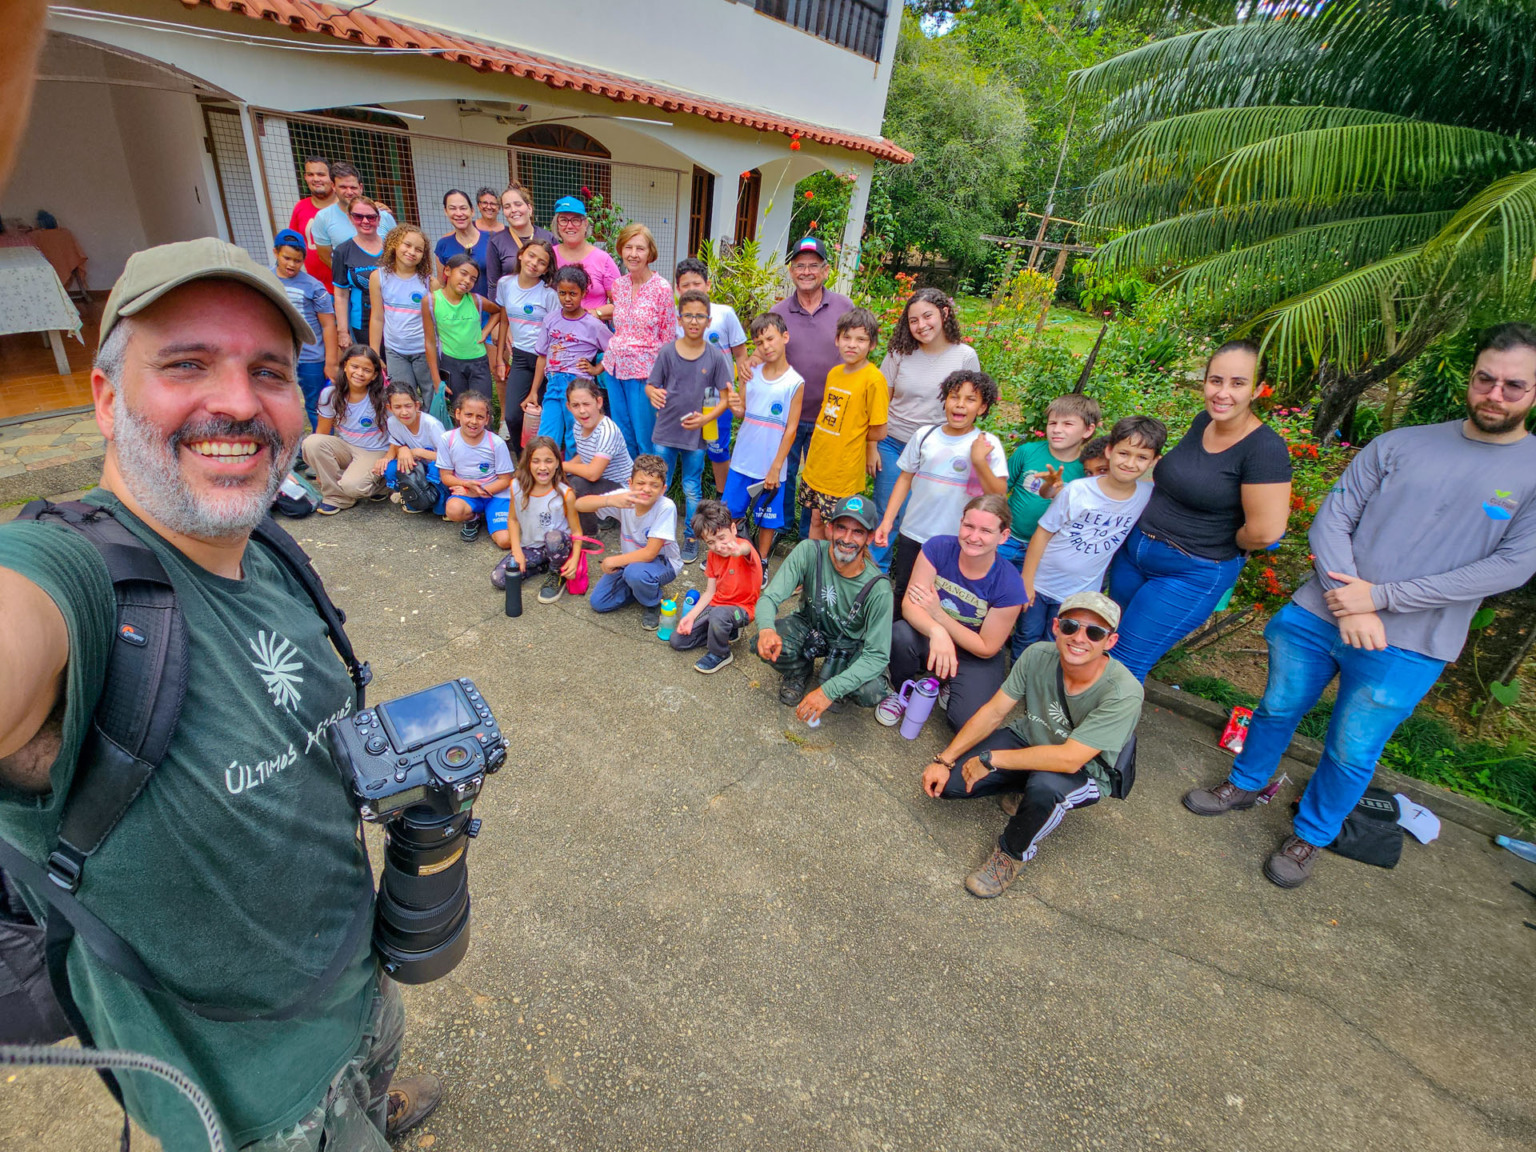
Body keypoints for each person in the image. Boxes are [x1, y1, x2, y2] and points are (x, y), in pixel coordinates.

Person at [0, 237, 440, 1150]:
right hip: (248, 1098)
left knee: (377, 1064)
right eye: (187, 364)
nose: (238, 402)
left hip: (356, 981)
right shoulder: (69, 577)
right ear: (106, 396)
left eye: (268, 370)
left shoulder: (266, 545)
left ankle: (374, 1100)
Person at [1184, 323, 1536, 888]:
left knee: (1352, 749)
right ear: (1472, 378)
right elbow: (1334, 519)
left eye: (1513, 386)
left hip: (1411, 643)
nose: (1495, 394)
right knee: (1275, 708)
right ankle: (1246, 783)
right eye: (1485, 379)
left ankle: (1312, 835)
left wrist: (1380, 598)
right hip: (1316, 615)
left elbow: (1510, 566)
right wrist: (1353, 604)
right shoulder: (1402, 444)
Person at [921, 591, 1142, 898]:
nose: (1079, 638)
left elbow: (1069, 760)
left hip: (1084, 769)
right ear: (1056, 627)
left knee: (1046, 787)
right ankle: (1023, 788)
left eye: (1094, 632)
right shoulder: (1038, 654)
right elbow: (994, 710)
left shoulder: (1124, 692)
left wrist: (990, 759)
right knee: (950, 785)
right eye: (1070, 627)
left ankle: (1012, 854)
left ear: (1110, 642)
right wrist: (944, 760)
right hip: (1031, 737)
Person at [1107, 340, 1292, 680]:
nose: (1223, 393)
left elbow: (1265, 532)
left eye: (1238, 383)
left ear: (1260, 389)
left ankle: (1100, 734)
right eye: (1216, 380)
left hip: (1190, 572)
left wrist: (1224, 535)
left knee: (1123, 662)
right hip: (1136, 555)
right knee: (1103, 642)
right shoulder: (1203, 421)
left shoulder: (1265, 450)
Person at [1016, 416, 1165, 656]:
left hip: (1079, 593)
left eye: (1142, 457)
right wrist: (1026, 581)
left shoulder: (1146, 495)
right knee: (1026, 636)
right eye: (1124, 453)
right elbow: (1042, 533)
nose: (1130, 463)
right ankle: (1017, 687)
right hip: (1040, 583)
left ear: (1154, 461)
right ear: (1109, 451)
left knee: (1057, 644)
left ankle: (1041, 691)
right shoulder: (1078, 491)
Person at [877, 494, 1027, 732]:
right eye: (968, 526)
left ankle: (946, 680)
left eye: (986, 531)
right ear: (960, 523)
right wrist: (937, 631)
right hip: (932, 636)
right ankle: (898, 689)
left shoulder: (1010, 584)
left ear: (1003, 536)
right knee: (900, 634)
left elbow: (987, 647)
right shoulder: (937, 548)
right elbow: (910, 606)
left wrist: (939, 616)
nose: (974, 537)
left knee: (964, 722)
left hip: (974, 652)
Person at [872, 368, 1009, 604]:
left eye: (970, 399)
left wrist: (978, 461)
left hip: (956, 541)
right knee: (904, 591)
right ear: (944, 400)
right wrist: (887, 521)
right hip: (913, 533)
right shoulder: (925, 436)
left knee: (942, 599)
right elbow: (904, 479)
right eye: (954, 396)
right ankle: (897, 638)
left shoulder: (986, 444)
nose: (960, 405)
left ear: (983, 407)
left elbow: (998, 495)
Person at [755, 494, 894, 720]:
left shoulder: (879, 588)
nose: (847, 538)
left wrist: (829, 690)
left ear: (869, 538)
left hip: (849, 644)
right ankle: (799, 671)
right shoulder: (809, 551)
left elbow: (877, 655)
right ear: (830, 529)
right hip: (811, 626)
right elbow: (769, 598)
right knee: (764, 643)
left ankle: (839, 685)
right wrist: (766, 629)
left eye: (858, 532)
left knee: (872, 691)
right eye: (841, 528)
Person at [873, 287, 982, 569]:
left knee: (928, 517)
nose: (921, 325)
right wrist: (871, 444)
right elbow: (880, 400)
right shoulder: (900, 353)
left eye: (927, 316)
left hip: (938, 452)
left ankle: (920, 575)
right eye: (913, 320)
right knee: (888, 513)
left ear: (944, 313)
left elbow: (970, 402)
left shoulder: (965, 356)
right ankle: (875, 576)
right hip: (894, 444)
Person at [768, 237, 854, 536]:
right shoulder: (779, 311)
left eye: (813, 266)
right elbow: (768, 353)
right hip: (789, 412)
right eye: (800, 266)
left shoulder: (844, 306)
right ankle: (781, 525)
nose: (806, 271)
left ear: (826, 270)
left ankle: (809, 533)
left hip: (829, 414)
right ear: (791, 271)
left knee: (817, 476)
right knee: (787, 472)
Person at [646, 288, 734, 565]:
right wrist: (651, 392)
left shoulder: (715, 357)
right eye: (688, 315)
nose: (694, 321)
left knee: (691, 487)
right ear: (679, 319)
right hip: (665, 431)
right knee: (659, 483)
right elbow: (651, 384)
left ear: (708, 321)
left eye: (700, 316)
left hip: (696, 435)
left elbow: (726, 397)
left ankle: (692, 537)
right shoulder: (667, 352)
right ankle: (656, 537)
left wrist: (707, 419)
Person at [798, 307, 888, 540]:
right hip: (818, 463)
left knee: (839, 528)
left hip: (843, 470)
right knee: (816, 519)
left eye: (861, 339)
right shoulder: (835, 373)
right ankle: (812, 568)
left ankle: (835, 573)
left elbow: (878, 428)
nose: (852, 344)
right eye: (846, 337)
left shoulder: (873, 379)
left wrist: (869, 448)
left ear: (872, 344)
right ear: (837, 340)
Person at [725, 313, 805, 574]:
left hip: (772, 465)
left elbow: (791, 429)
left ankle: (761, 562)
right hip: (742, 460)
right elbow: (742, 411)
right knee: (732, 511)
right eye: (759, 342)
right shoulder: (750, 373)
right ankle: (732, 554)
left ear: (785, 337)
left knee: (767, 519)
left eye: (770, 338)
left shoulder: (795, 382)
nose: (766, 346)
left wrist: (776, 466)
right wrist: (735, 405)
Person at [574, 454, 682, 629]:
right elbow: (579, 505)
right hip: (632, 561)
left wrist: (613, 560)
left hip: (664, 563)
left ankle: (653, 602)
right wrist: (609, 500)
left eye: (654, 485)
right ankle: (639, 588)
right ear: (630, 483)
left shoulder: (666, 507)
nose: (646, 489)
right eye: (640, 483)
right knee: (599, 602)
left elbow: (650, 553)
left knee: (635, 574)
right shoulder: (624, 497)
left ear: (663, 489)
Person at [1001, 395, 1101, 571]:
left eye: (1067, 424)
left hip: (1047, 550)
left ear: (1088, 430)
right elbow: (1001, 490)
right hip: (1007, 538)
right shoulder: (1026, 452)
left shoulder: (1086, 470)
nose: (1057, 429)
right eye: (1052, 423)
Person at [674, 257, 748, 492]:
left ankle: (722, 500)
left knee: (718, 449)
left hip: (719, 399)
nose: (691, 289)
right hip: (687, 398)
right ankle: (691, 498)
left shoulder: (725, 314)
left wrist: (741, 397)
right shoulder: (675, 321)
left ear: (708, 285)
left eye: (697, 283)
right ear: (677, 289)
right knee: (691, 447)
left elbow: (741, 357)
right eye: (685, 285)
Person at [607, 223, 677, 460]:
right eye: (628, 247)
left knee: (644, 437)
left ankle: (650, 487)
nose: (633, 254)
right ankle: (630, 484)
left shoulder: (662, 288)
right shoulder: (618, 285)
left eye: (640, 248)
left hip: (644, 374)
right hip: (615, 370)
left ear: (650, 253)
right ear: (621, 249)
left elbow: (668, 338)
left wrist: (662, 381)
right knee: (623, 433)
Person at [671, 500, 764, 673]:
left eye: (722, 538)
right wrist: (691, 617)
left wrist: (738, 550)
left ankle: (720, 653)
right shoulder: (713, 556)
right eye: (710, 542)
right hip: (717, 606)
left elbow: (745, 549)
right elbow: (709, 592)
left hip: (742, 609)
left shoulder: (743, 549)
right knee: (677, 640)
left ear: (734, 529)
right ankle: (724, 632)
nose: (718, 546)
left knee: (719, 615)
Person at [488, 436, 581, 603]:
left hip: (559, 546)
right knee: (500, 579)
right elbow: (513, 520)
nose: (543, 467)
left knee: (553, 538)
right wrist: (516, 551)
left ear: (558, 463)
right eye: (536, 461)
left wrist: (574, 560)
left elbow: (577, 532)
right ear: (528, 463)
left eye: (549, 461)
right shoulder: (516, 486)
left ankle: (556, 572)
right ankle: (540, 565)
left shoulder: (566, 494)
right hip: (531, 547)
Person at [303, 343, 390, 514]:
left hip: (375, 451)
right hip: (347, 448)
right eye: (355, 366)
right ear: (345, 366)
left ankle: (382, 485)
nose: (359, 373)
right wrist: (320, 468)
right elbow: (322, 431)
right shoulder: (330, 394)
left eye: (366, 370)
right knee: (311, 442)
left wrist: (389, 457)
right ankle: (337, 497)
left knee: (353, 487)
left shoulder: (383, 397)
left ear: (374, 375)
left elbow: (398, 433)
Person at [533, 265, 610, 456]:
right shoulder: (550, 319)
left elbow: (614, 348)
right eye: (562, 293)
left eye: (573, 293)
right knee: (546, 436)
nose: (567, 298)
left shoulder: (593, 324)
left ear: (583, 293)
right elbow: (542, 356)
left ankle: (574, 480)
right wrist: (534, 391)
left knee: (576, 437)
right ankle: (546, 480)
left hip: (579, 387)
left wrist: (596, 369)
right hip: (553, 384)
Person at [272, 228, 337, 432]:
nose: (291, 264)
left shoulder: (314, 287)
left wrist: (331, 361)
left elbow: (328, 325)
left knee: (316, 405)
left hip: (311, 358)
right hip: (277, 356)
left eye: (297, 260)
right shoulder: (265, 280)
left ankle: (323, 448)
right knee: (281, 403)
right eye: (287, 258)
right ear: (276, 253)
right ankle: (293, 449)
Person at [495, 238, 557, 446]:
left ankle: (540, 461)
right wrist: (500, 359)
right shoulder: (505, 284)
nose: (534, 263)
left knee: (538, 416)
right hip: (520, 357)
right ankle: (523, 461)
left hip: (545, 360)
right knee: (513, 416)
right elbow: (504, 320)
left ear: (546, 269)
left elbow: (555, 333)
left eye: (542, 262)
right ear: (521, 254)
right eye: (531, 255)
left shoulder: (549, 294)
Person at [368, 225, 436, 400]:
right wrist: (375, 352)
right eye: (407, 245)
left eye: (419, 249)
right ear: (394, 244)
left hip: (424, 351)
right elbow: (376, 317)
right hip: (395, 351)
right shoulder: (378, 277)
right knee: (403, 396)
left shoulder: (429, 283)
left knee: (431, 395)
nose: (412, 252)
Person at [439, 391, 514, 543]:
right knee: (453, 510)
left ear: (487, 419)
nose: (473, 421)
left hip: (495, 494)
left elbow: (506, 480)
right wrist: (467, 486)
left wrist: (478, 492)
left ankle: (498, 515)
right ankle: (474, 518)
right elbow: (446, 476)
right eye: (468, 415)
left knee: (505, 541)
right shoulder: (447, 439)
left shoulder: (496, 443)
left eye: (480, 417)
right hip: (467, 492)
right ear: (458, 414)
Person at [563, 379, 633, 535]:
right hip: (603, 483)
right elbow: (583, 455)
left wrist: (560, 466)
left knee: (576, 485)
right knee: (563, 480)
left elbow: (593, 474)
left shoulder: (607, 431)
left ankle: (588, 535)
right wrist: (561, 472)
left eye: (586, 404)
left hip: (621, 487)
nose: (582, 411)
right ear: (569, 407)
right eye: (575, 405)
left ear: (599, 402)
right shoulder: (578, 425)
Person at [432, 254, 499, 406]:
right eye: (463, 273)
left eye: (473, 279)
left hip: (478, 363)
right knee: (458, 409)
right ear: (447, 271)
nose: (467, 281)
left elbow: (498, 312)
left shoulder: (476, 300)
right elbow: (429, 342)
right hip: (450, 363)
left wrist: (485, 331)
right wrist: (437, 380)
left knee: (482, 407)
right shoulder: (432, 301)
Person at [312, 162, 397, 270]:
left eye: (353, 187)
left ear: (360, 187)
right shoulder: (323, 218)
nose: (349, 192)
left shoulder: (382, 214)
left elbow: (398, 248)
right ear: (333, 186)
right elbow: (325, 256)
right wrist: (347, 276)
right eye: (343, 187)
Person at [380, 381, 448, 515]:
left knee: (435, 469)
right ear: (389, 408)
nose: (404, 412)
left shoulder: (431, 425)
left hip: (436, 467)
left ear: (417, 405)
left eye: (408, 406)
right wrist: (401, 450)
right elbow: (397, 444)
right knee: (390, 469)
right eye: (397, 407)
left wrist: (416, 452)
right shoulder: (392, 422)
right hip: (417, 466)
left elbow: (449, 457)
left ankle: (442, 502)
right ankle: (413, 498)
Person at [483, 181, 557, 303]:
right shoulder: (497, 241)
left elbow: (554, 277)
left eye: (518, 204)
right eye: (507, 207)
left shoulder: (548, 237)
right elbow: (493, 285)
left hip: (542, 307)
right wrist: (499, 315)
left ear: (529, 208)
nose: (513, 210)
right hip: (510, 310)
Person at [330, 196, 387, 345]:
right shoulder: (342, 251)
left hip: (394, 322)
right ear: (350, 218)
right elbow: (341, 295)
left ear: (378, 219)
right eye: (358, 216)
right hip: (362, 323)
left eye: (370, 217)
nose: (365, 221)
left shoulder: (392, 247)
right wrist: (342, 332)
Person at [551, 197, 619, 319]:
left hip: (591, 332)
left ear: (585, 224)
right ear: (557, 225)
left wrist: (596, 313)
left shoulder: (603, 259)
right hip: (556, 332)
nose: (570, 226)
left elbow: (622, 305)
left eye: (576, 220)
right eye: (564, 220)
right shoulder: (549, 256)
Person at [288, 155, 336, 291]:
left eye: (321, 174)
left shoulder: (346, 206)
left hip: (346, 288)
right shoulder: (300, 207)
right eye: (310, 174)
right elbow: (292, 246)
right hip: (315, 289)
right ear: (305, 177)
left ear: (331, 178)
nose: (316, 179)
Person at [433, 189, 492, 282]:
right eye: (452, 208)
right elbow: (441, 283)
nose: (459, 213)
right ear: (446, 211)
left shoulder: (492, 239)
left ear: (472, 211)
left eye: (463, 208)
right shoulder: (443, 245)